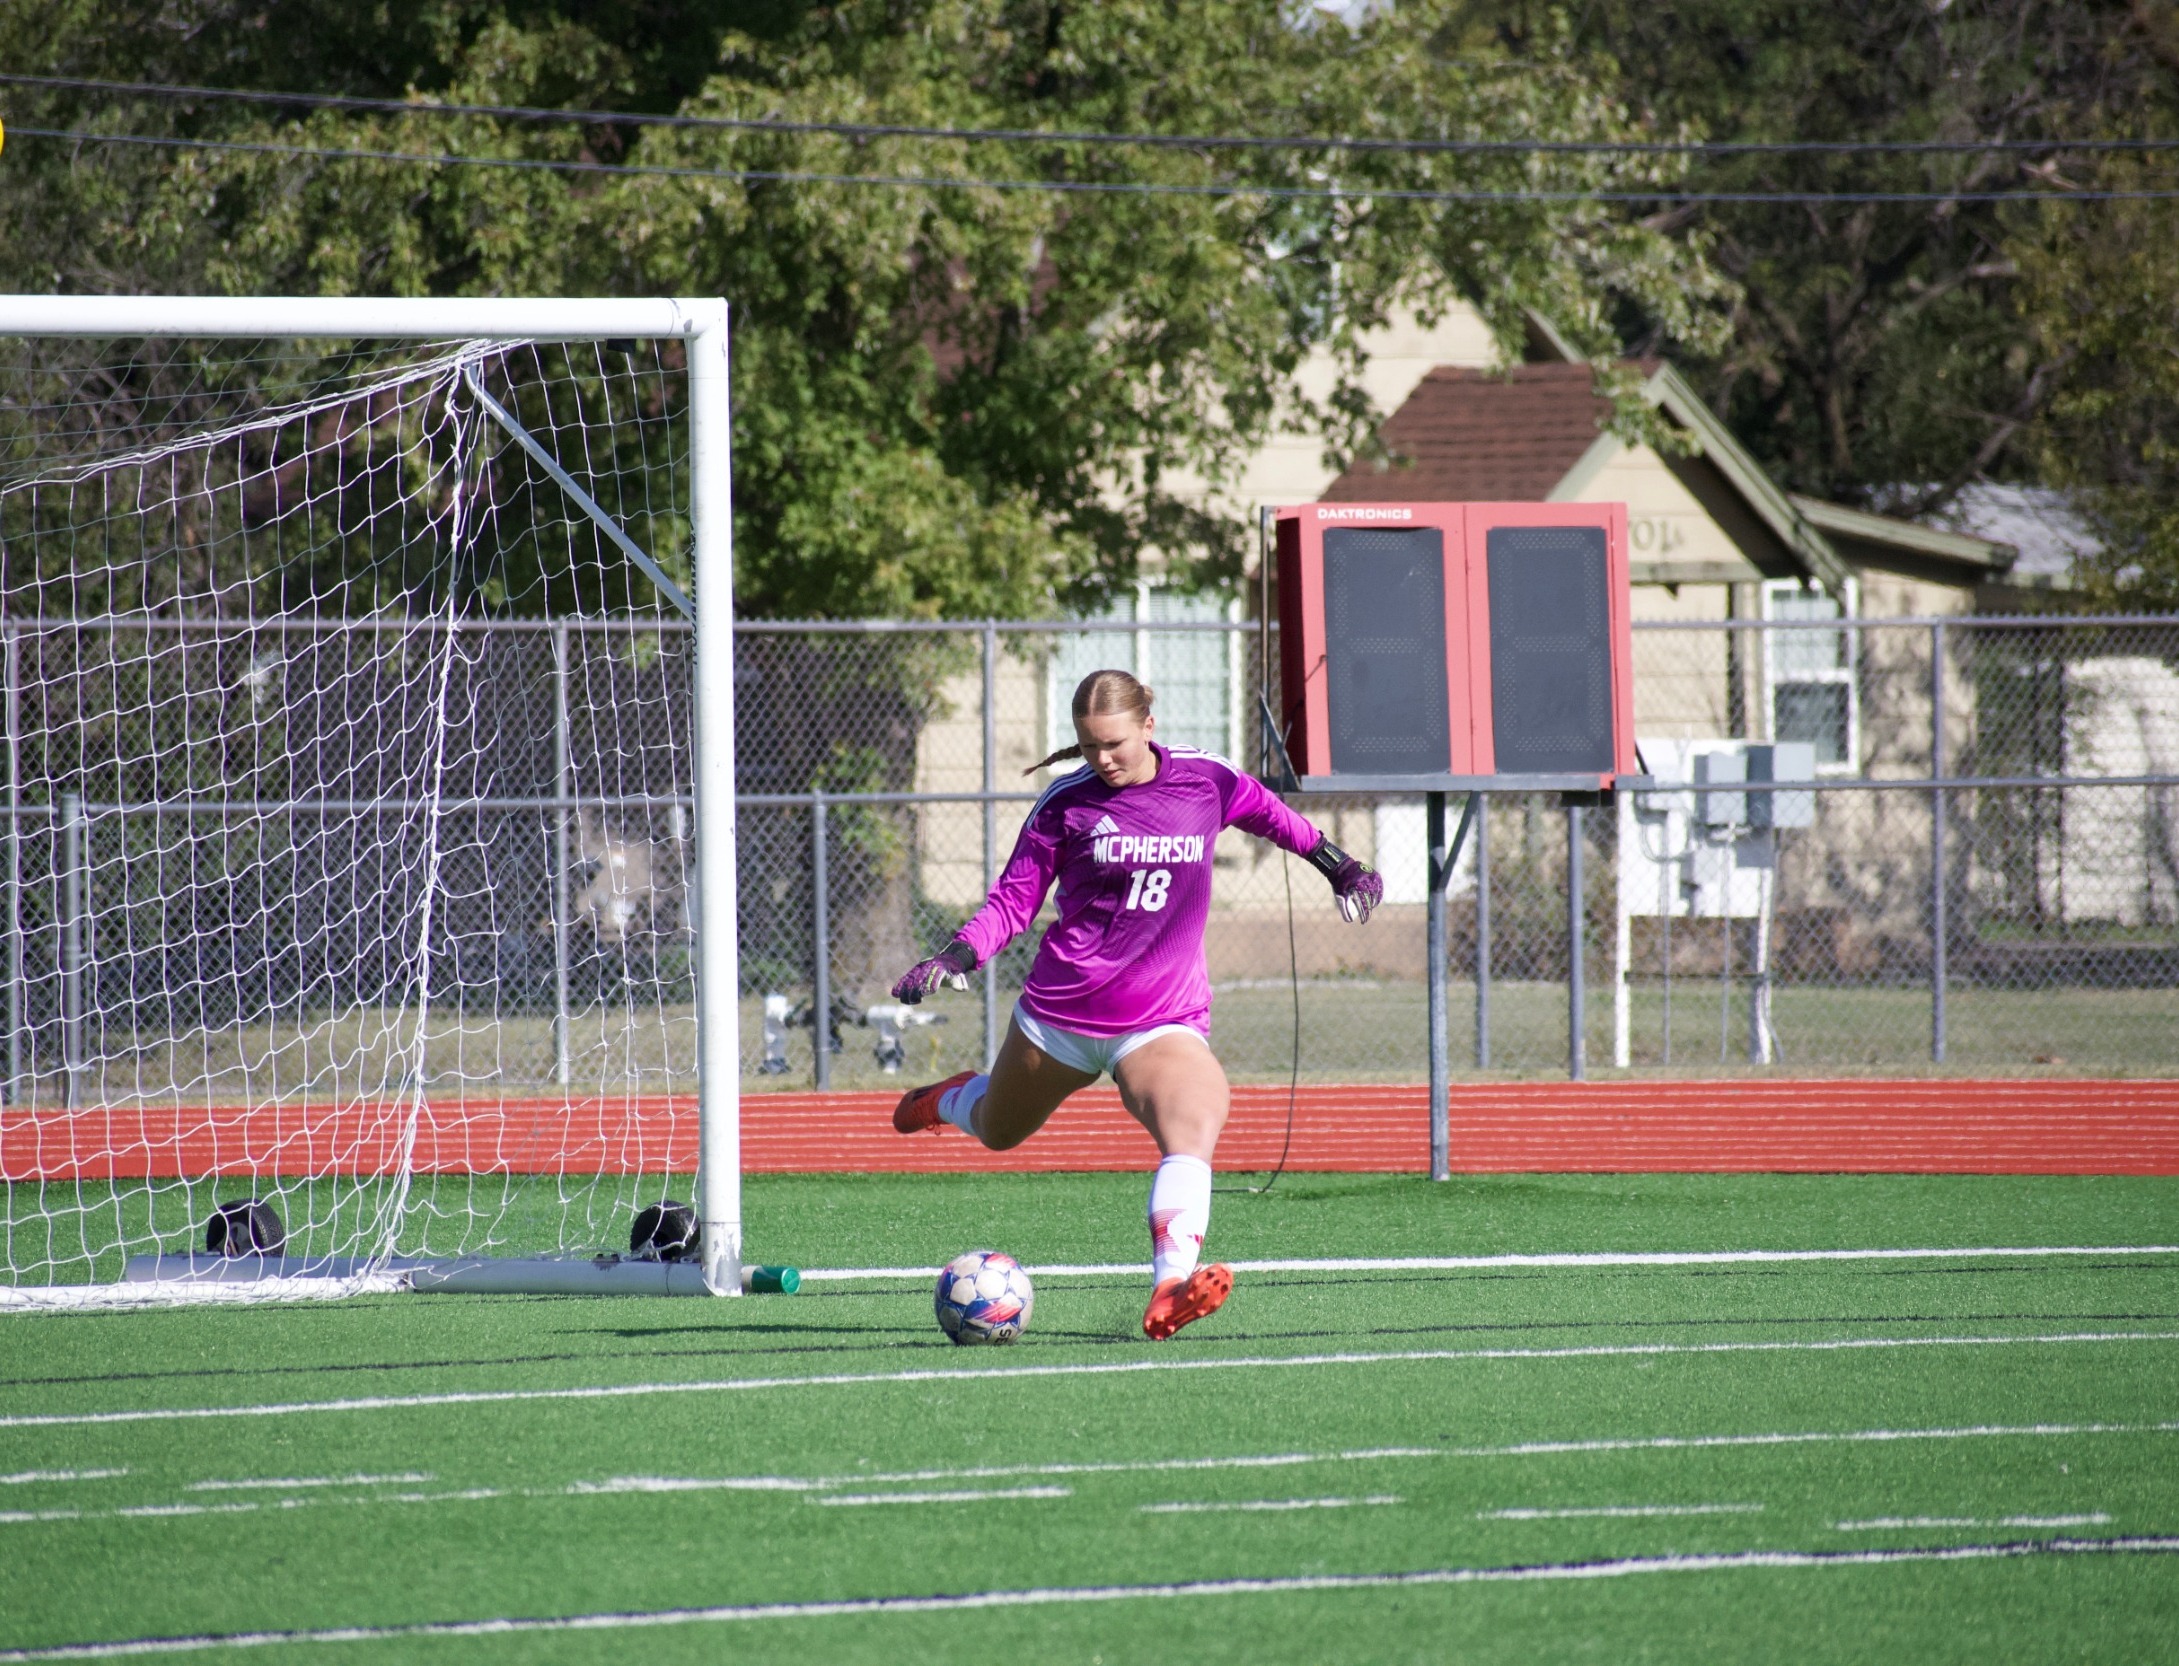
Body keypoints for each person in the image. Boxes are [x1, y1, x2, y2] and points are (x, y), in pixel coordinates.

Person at [888, 668, 1383, 1341]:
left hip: (1158, 1021)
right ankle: (949, 1098)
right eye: (1089, 746)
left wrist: (1339, 864)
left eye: (1114, 743)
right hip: (1060, 1017)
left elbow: (1271, 815)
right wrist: (954, 957)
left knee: (1195, 1120)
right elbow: (1013, 902)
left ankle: (1169, 1289)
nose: (1102, 759)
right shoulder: (1064, 805)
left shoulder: (1204, 780)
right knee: (998, 1129)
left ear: (1148, 724)